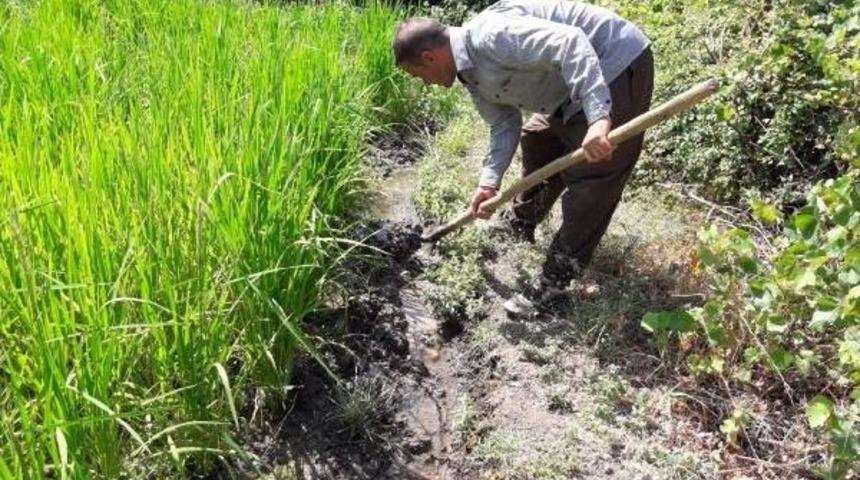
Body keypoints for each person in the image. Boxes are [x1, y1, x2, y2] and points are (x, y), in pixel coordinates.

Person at [392, 0, 654, 316]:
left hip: (613, 62)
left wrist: (599, 117)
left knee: (593, 177)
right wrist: (489, 183)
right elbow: (504, 124)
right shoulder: (470, 75)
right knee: (539, 138)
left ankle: (556, 285)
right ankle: (521, 221)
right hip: (564, 91)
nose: (426, 83)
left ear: (429, 57)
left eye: (419, 75)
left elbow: (570, 42)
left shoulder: (491, 36)